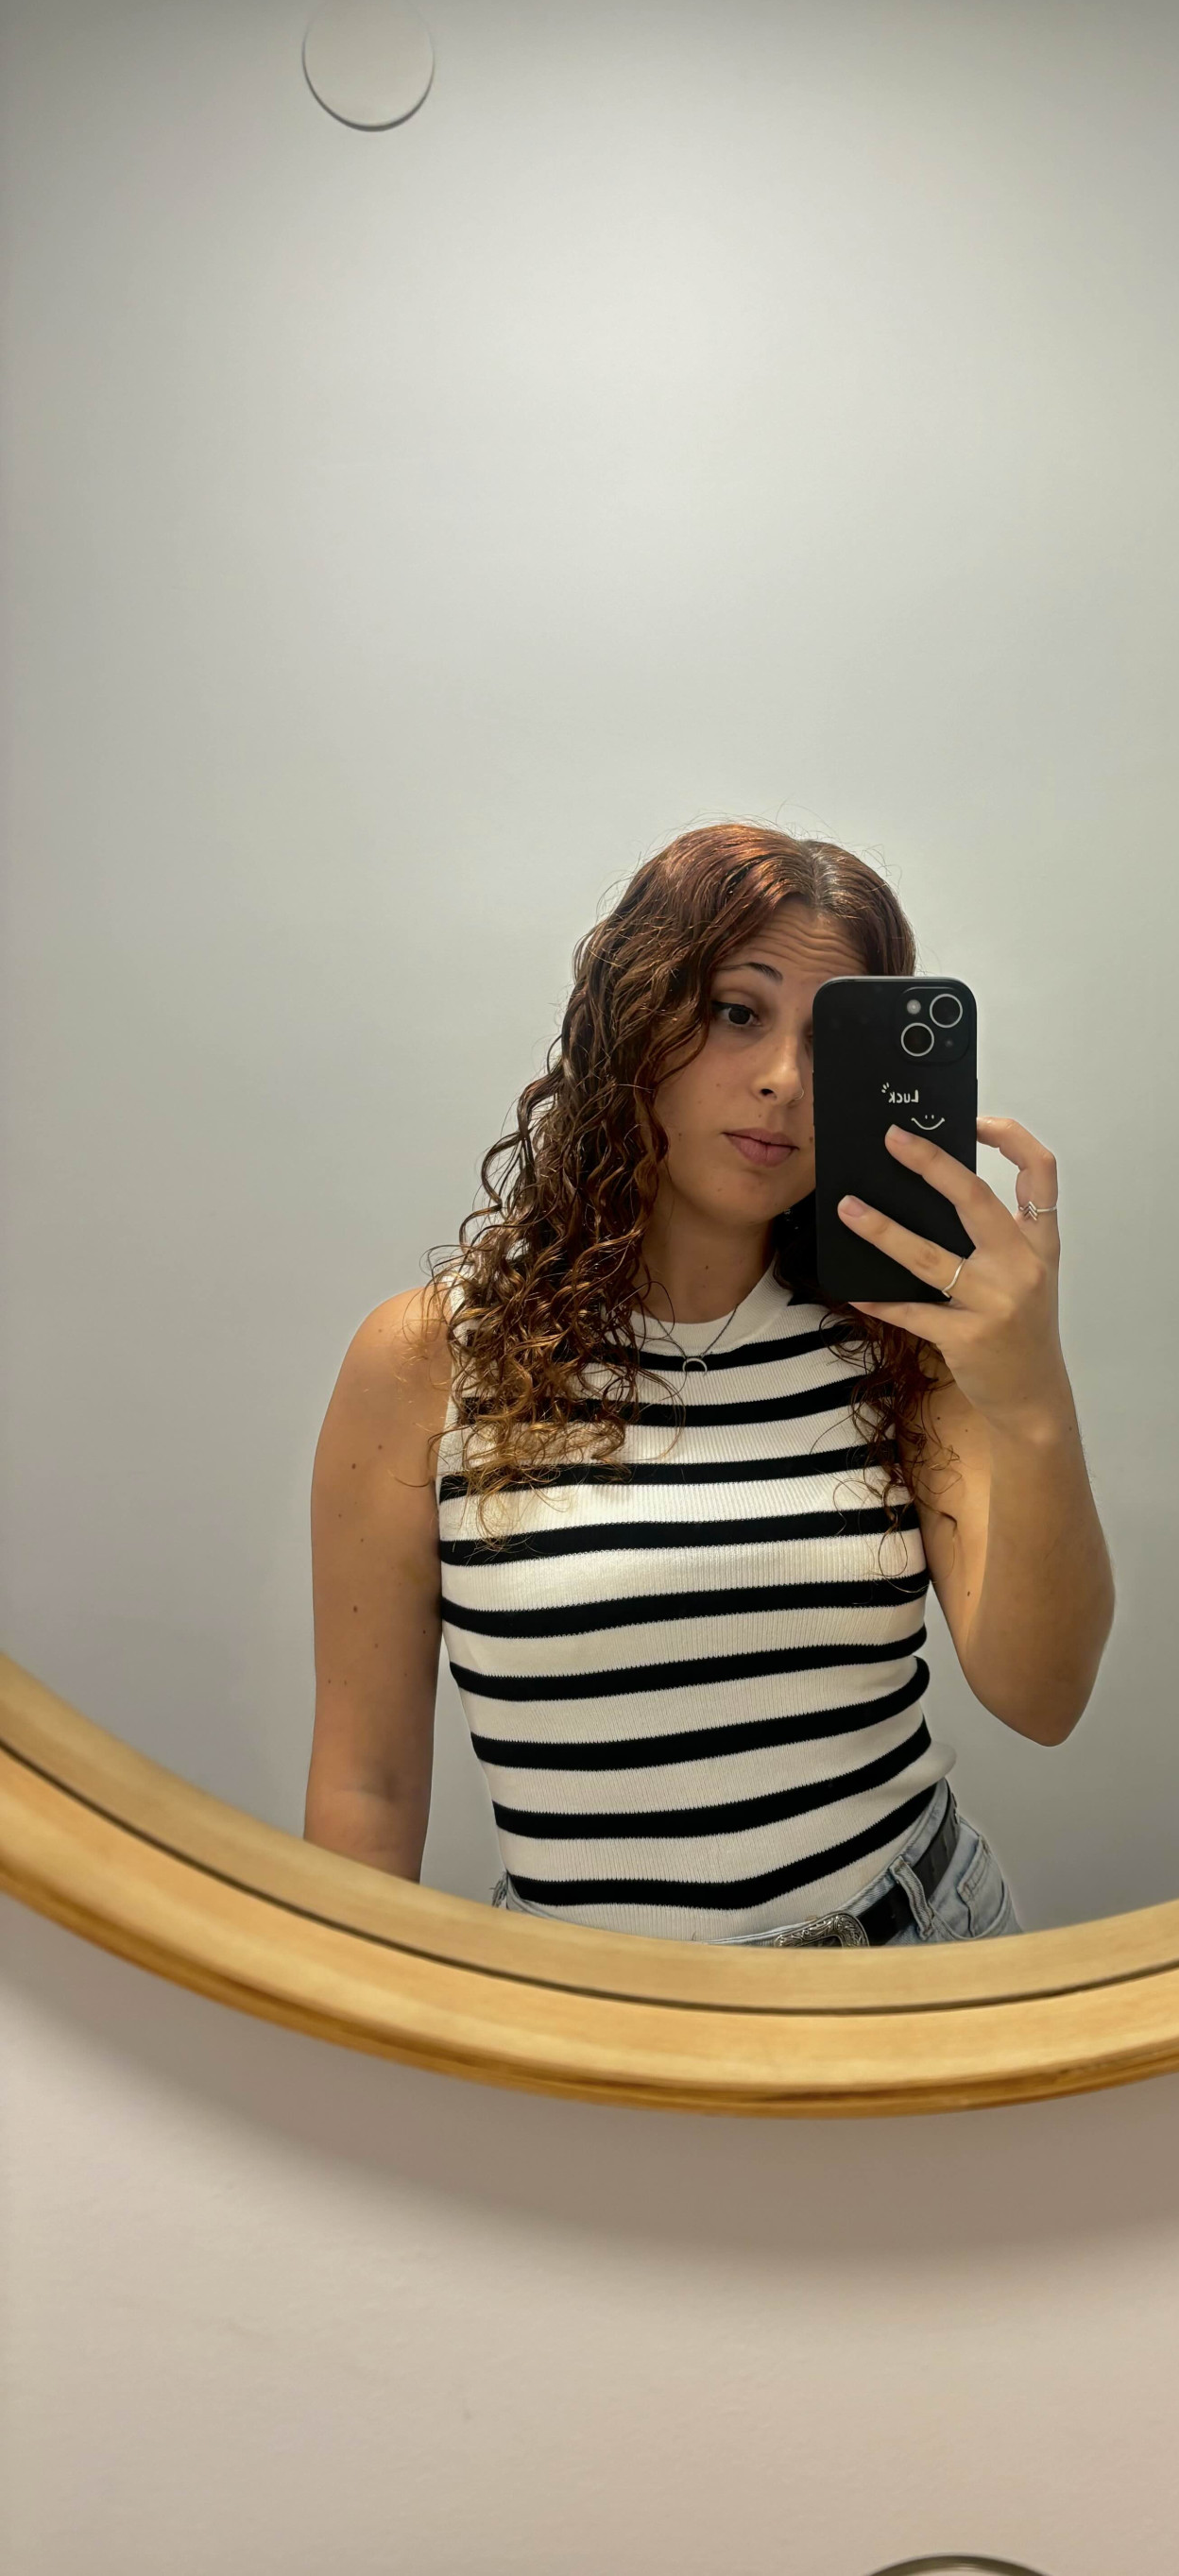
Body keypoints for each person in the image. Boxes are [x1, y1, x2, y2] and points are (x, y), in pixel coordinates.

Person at [303, 823, 1114, 1947]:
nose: (785, 1079)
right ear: (635, 1019)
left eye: (828, 1040)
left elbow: (1043, 1697)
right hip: (585, 2005)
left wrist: (1031, 1400)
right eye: (738, 1012)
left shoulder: (904, 1344)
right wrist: (352, 2013)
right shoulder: (430, 1360)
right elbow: (368, 1782)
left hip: (913, 1958)